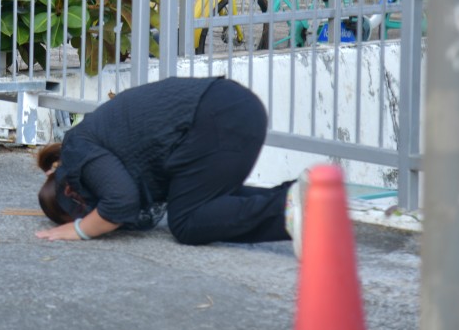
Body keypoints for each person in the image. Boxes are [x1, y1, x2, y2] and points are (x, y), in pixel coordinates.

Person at [35, 77, 305, 255]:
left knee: (187, 222)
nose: (94, 213)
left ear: (70, 194)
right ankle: (303, 197)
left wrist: (80, 229)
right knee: (204, 202)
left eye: (84, 212)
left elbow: (120, 202)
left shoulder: (77, 152)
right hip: (230, 109)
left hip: (216, 118)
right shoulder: (87, 146)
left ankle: (288, 213)